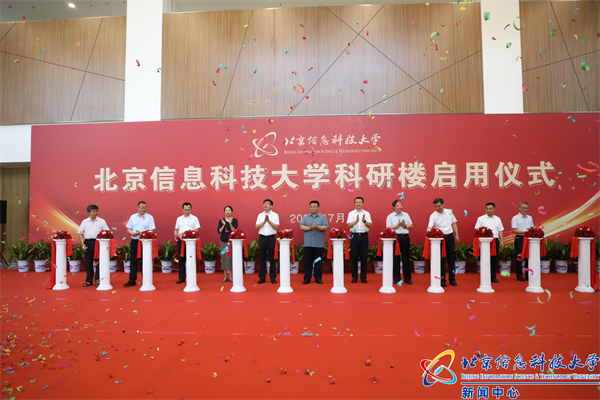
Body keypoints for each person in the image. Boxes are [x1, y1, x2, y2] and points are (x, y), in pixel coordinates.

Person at [427, 198, 459, 287]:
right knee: (441, 260)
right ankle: (442, 280)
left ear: (443, 205)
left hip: (449, 237)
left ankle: (452, 279)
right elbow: (430, 226)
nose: (437, 208)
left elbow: (454, 224)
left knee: (451, 259)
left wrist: (456, 235)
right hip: (439, 239)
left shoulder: (449, 212)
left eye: (439, 206)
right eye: (435, 206)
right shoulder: (433, 215)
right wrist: (428, 231)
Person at [123, 201, 156, 287]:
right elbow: (129, 228)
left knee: (146, 261)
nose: (143, 209)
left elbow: (151, 230)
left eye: (145, 208)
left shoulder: (150, 217)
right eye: (141, 208)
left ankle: (146, 280)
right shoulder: (133, 216)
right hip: (135, 241)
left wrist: (141, 233)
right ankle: (132, 280)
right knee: (133, 260)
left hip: (145, 242)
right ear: (138, 208)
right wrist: (132, 233)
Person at [77, 204, 109, 287]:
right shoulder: (84, 222)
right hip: (87, 242)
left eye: (96, 211)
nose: (95, 213)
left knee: (98, 262)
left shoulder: (102, 221)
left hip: (98, 243)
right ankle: (89, 281)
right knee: (88, 263)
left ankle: (98, 280)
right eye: (93, 211)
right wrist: (82, 244)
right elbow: (80, 233)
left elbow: (107, 232)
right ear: (88, 212)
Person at [300, 201, 329, 284]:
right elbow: (301, 227)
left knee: (318, 262)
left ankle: (318, 278)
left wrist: (317, 227)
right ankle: (307, 278)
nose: (312, 208)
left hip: (318, 244)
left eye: (314, 207)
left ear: (318, 208)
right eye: (311, 207)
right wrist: (310, 228)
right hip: (308, 244)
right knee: (307, 262)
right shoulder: (305, 217)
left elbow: (325, 227)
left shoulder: (322, 217)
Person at [474, 203, 504, 283]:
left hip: (495, 241)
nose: (488, 210)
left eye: (490, 209)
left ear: (494, 209)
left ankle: (493, 276)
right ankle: (485, 276)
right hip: (485, 242)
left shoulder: (498, 219)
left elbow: (500, 230)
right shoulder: (481, 219)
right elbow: (477, 230)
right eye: (487, 209)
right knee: (484, 259)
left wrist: (502, 241)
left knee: (494, 259)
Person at [386, 199, 413, 285]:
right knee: (395, 258)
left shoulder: (406, 215)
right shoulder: (390, 216)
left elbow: (411, 225)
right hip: (395, 239)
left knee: (406, 258)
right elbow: (388, 228)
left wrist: (404, 225)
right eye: (398, 205)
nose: (400, 207)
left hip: (405, 238)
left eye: (401, 205)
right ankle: (396, 278)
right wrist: (397, 225)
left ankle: (407, 278)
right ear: (393, 207)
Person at [347, 197, 372, 283]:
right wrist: (356, 221)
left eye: (360, 202)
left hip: (364, 236)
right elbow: (349, 225)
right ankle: (354, 277)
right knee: (354, 257)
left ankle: (363, 277)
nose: (358, 204)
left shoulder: (367, 213)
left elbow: (370, 225)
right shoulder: (351, 213)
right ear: (354, 203)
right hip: (355, 236)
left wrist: (364, 221)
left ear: (363, 203)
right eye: (356, 202)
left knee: (364, 257)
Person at [174, 202, 200, 284]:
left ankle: (191, 277)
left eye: (188, 210)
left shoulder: (194, 218)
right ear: (182, 209)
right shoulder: (179, 219)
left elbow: (197, 229)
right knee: (181, 258)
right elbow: (176, 229)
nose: (187, 211)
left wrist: (190, 233)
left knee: (190, 258)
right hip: (181, 241)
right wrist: (175, 233)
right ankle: (181, 277)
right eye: (185, 210)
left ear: (191, 209)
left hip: (190, 241)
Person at [255, 199, 280, 284]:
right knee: (262, 258)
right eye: (264, 204)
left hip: (271, 238)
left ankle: (273, 278)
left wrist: (268, 221)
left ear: (271, 206)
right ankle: (262, 278)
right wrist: (264, 221)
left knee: (272, 258)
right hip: (262, 238)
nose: (265, 205)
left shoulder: (275, 215)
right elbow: (257, 227)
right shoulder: (260, 215)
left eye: (267, 204)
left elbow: (276, 227)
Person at [511, 201, 534, 282]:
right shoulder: (515, 218)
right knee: (519, 257)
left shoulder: (530, 218)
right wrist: (525, 232)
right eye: (523, 208)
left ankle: (528, 275)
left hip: (528, 239)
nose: (524, 209)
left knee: (528, 257)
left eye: (526, 208)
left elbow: (532, 228)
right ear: (519, 208)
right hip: (519, 238)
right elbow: (514, 230)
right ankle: (519, 275)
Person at [217, 205, 238, 283]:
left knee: (231, 258)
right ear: (224, 212)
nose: (228, 212)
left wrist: (230, 224)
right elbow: (219, 231)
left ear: (232, 211)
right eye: (226, 210)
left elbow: (234, 231)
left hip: (232, 242)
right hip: (223, 242)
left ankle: (231, 276)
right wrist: (223, 225)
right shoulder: (221, 220)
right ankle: (225, 276)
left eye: (229, 210)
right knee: (224, 258)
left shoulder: (234, 220)